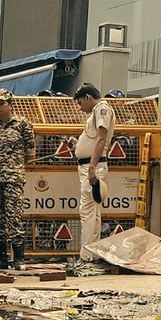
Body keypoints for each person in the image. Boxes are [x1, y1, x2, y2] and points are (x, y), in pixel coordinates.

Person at [0, 90, 35, 270]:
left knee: (13, 216)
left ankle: (19, 258)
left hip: (13, 178)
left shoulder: (22, 124)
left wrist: (15, 165)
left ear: (10, 104)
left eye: (1, 103)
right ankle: (1, 257)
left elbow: (30, 152)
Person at [71, 84, 115, 260]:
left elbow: (101, 139)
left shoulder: (102, 108)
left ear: (88, 97)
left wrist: (92, 167)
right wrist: (77, 145)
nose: (80, 107)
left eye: (80, 102)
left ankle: (87, 256)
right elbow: (92, 140)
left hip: (93, 166)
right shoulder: (94, 112)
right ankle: (92, 253)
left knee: (87, 210)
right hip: (88, 164)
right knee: (92, 211)